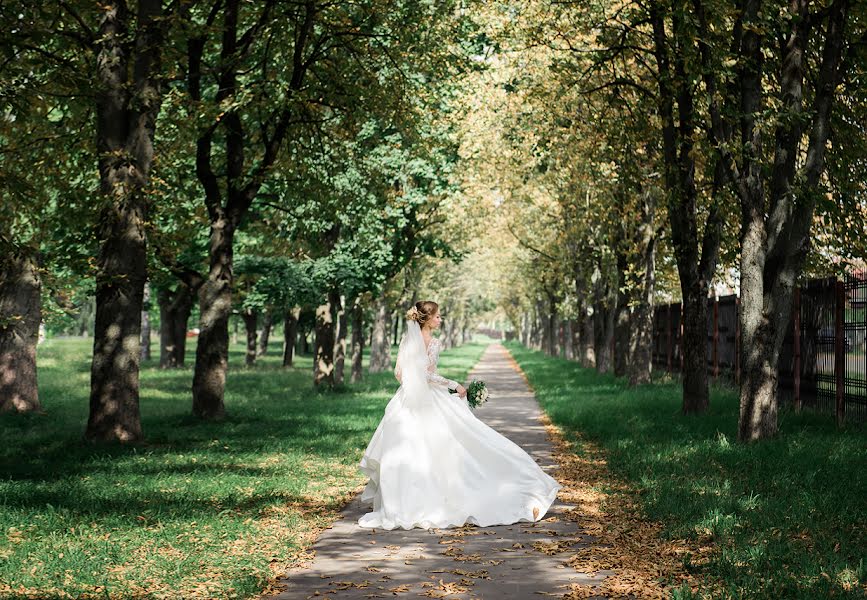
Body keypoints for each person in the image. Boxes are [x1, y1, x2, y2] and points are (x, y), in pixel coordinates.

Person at [358, 300, 560, 530]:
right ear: (428, 318)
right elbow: (428, 375)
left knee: (408, 450)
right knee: (451, 445)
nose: (440, 319)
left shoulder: (406, 340)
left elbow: (398, 373)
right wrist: (454, 384)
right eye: (438, 316)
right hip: (428, 399)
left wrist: (411, 386)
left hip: (405, 401)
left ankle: (405, 503)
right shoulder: (433, 342)